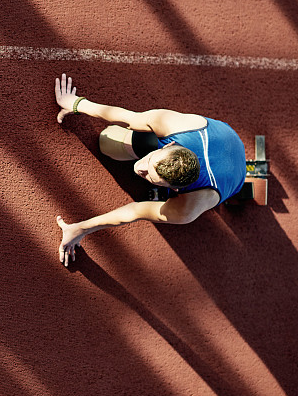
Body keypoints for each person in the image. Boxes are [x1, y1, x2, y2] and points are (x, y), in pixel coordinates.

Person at [54, 73, 246, 265]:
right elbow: (127, 118)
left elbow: (134, 212)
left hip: (233, 179)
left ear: (176, 190)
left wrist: (80, 229)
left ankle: (159, 181)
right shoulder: (174, 124)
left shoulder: (189, 208)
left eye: (150, 177)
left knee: (163, 207)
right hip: (227, 137)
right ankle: (154, 166)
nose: (140, 169)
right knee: (106, 140)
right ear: (168, 146)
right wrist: (77, 104)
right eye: (150, 163)